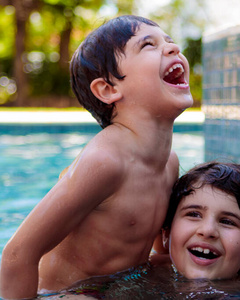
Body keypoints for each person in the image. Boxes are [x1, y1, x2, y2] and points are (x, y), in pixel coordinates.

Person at [0, 15, 193, 299]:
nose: (172, 48)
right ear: (108, 89)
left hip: (123, 284)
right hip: (65, 293)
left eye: (170, 41)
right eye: (148, 45)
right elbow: (17, 254)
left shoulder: (169, 163)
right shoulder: (105, 161)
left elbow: (161, 250)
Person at [153, 161, 240, 280]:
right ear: (166, 232)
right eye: (193, 214)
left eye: (227, 222)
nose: (208, 230)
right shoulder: (151, 274)